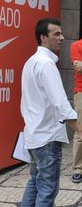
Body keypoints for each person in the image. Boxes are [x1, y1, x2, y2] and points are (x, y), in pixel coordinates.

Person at [20, 18, 82, 207]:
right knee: (47, 189)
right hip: (46, 137)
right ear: (43, 37)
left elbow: (25, 102)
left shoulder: (31, 62)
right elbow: (61, 104)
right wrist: (79, 129)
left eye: (61, 33)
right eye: (56, 34)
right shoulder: (46, 64)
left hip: (34, 135)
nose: (62, 38)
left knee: (35, 182)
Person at [70, 38, 82, 183]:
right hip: (81, 92)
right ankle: (78, 168)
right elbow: (78, 68)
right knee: (80, 129)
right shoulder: (76, 45)